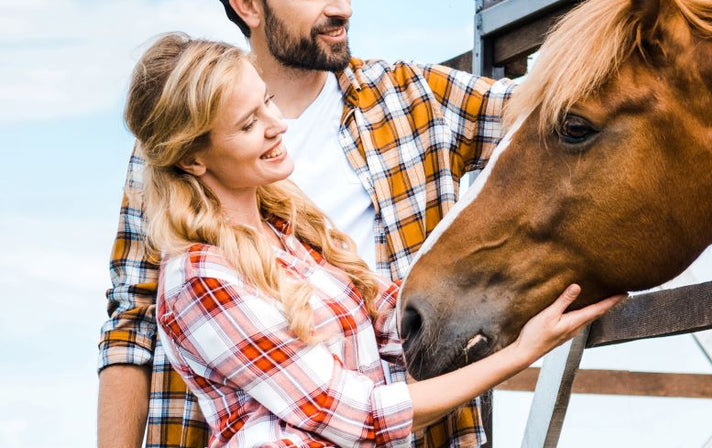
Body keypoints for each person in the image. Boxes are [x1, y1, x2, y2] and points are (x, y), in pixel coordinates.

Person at [96, 0, 712, 448]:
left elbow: (565, 109)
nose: (341, 6)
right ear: (247, 4)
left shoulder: (409, 96)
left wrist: (664, 5)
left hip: (418, 423)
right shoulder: (172, 152)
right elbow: (131, 322)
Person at [123, 33, 622, 448]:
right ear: (193, 159)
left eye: (267, 103)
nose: (278, 126)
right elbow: (357, 415)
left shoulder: (293, 235)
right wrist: (521, 353)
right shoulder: (200, 277)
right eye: (249, 124)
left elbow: (395, 328)